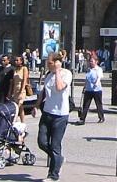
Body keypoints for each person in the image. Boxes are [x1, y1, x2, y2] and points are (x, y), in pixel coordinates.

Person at [37, 52, 72, 181]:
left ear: (58, 63)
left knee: (55, 145)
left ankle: (53, 175)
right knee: (42, 142)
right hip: (47, 112)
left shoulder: (66, 74)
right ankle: (58, 159)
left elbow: (59, 87)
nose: (48, 65)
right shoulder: (48, 74)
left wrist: (57, 71)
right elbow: (44, 92)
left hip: (60, 115)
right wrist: (36, 105)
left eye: (50, 63)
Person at [78, 55, 105, 124]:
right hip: (88, 89)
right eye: (90, 61)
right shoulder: (89, 69)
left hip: (97, 90)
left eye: (92, 61)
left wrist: (97, 83)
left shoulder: (98, 69)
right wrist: (84, 87)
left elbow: (99, 77)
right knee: (85, 105)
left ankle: (101, 117)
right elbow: (87, 79)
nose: (91, 62)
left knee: (98, 104)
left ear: (96, 62)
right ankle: (82, 119)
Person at [9, 54, 30, 123]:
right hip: (15, 90)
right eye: (15, 60)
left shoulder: (24, 68)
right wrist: (10, 92)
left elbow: (24, 80)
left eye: (17, 60)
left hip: (21, 90)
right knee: (20, 108)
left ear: (21, 61)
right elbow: (12, 82)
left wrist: (21, 92)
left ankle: (15, 122)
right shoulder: (15, 69)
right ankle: (21, 122)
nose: (16, 61)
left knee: (18, 106)